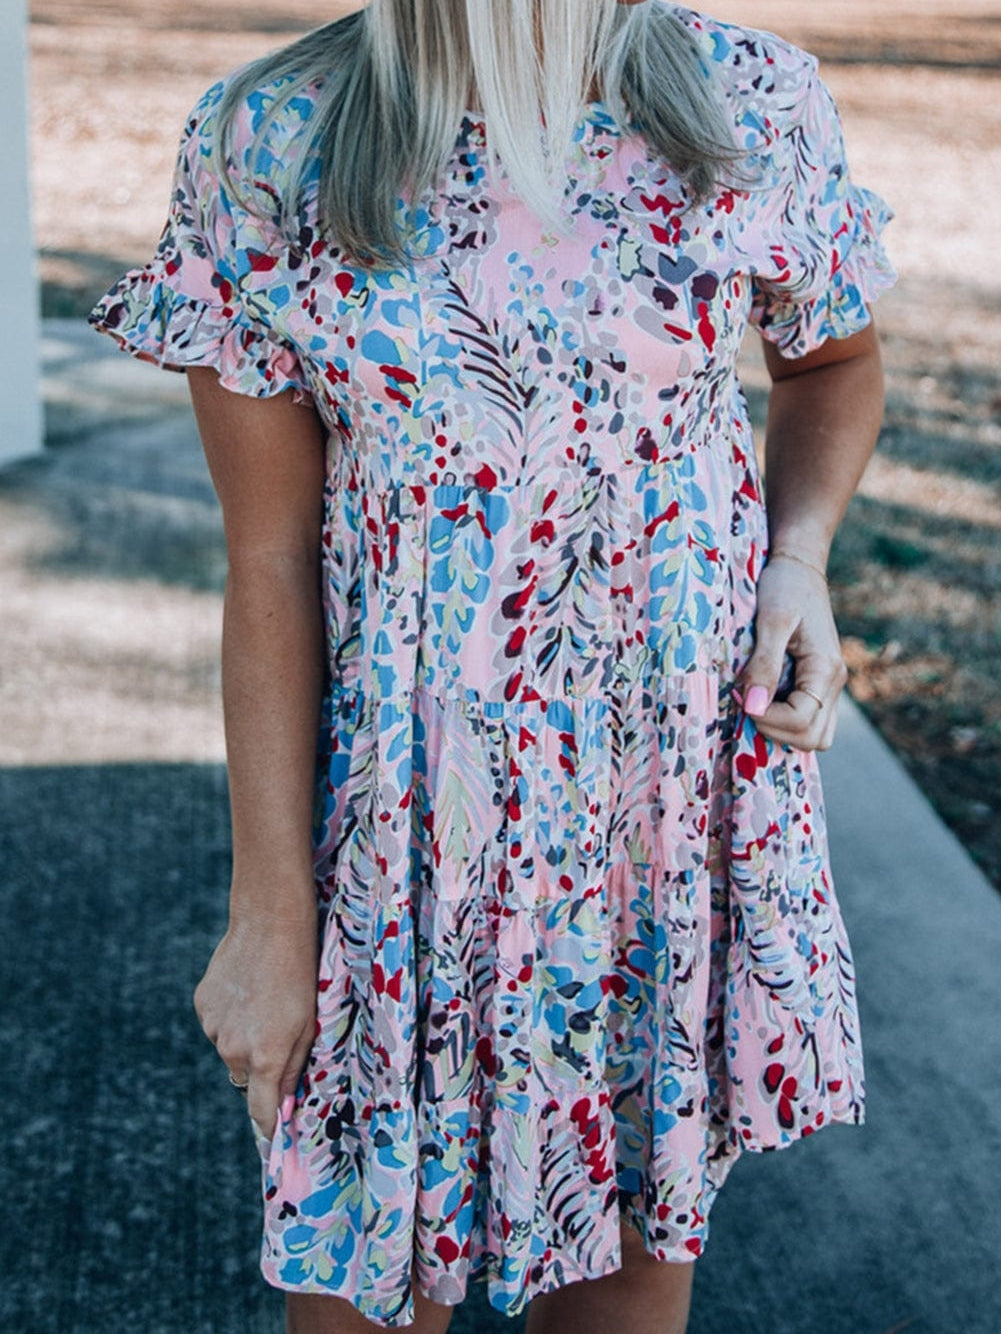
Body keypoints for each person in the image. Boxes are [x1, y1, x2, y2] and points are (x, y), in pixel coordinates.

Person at [90, 1, 895, 1330]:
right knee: (363, 1277)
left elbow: (835, 365)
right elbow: (270, 568)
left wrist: (796, 556)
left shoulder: (749, 97)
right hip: (404, 838)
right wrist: (271, 916)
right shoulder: (271, 137)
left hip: (649, 810)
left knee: (628, 1257)